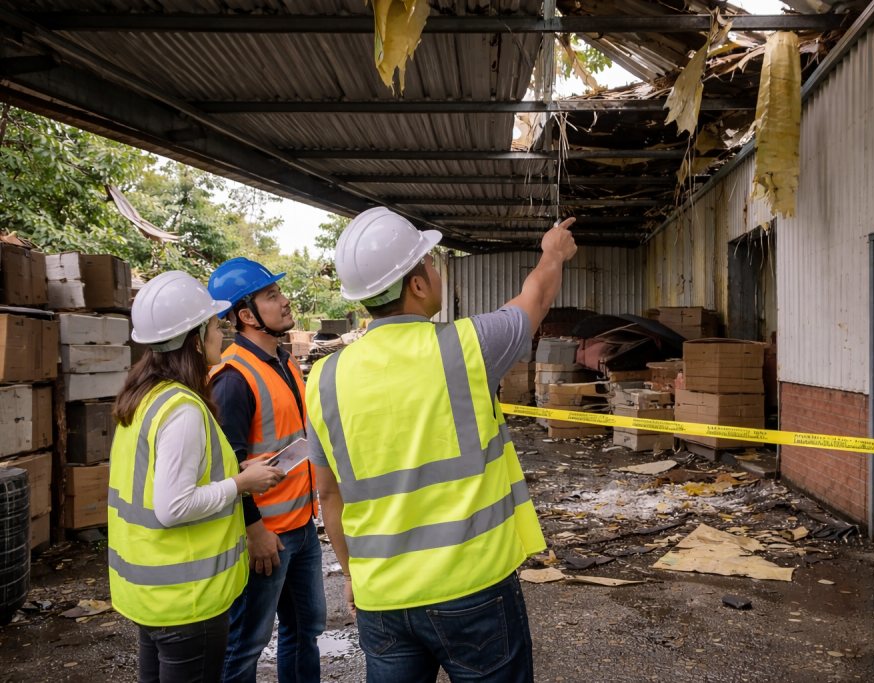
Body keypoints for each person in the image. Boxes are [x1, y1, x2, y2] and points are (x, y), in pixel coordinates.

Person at [306, 207, 577, 682]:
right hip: (473, 589)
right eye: (430, 263)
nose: (436, 271)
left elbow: (328, 495)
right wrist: (552, 251)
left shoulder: (324, 378)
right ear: (416, 284)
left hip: (381, 598)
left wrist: (351, 576)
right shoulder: (468, 345)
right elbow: (536, 295)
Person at [108, 271, 285, 683]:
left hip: (151, 596)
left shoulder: (144, 397)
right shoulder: (182, 409)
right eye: (214, 327)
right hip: (187, 601)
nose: (220, 335)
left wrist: (231, 472)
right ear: (192, 340)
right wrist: (241, 485)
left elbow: (161, 483)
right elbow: (173, 507)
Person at [206, 258, 326, 683]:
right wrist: (254, 530)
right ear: (246, 315)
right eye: (271, 295)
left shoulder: (284, 361)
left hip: (301, 528)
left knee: (305, 630)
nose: (284, 300)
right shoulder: (233, 377)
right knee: (245, 645)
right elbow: (226, 470)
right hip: (263, 538)